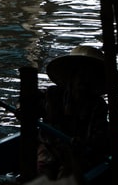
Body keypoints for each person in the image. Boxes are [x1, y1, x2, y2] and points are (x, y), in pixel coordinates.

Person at [37, 45, 110, 181]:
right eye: (80, 75)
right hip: (50, 150)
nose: (84, 81)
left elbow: (98, 142)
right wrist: (23, 108)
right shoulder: (52, 94)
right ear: (71, 77)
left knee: (67, 174)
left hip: (79, 155)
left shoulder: (97, 106)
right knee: (43, 173)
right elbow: (31, 100)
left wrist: (82, 144)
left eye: (89, 76)